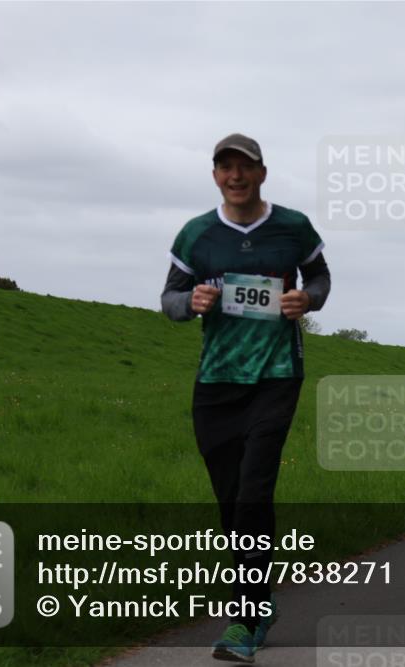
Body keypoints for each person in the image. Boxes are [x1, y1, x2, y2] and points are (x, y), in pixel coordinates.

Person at [161, 133, 331, 663]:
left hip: (277, 376)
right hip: (216, 383)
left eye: (244, 167)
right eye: (225, 167)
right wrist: (192, 301)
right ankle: (258, 601)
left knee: (254, 495)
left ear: (262, 173)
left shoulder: (293, 227)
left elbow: (320, 276)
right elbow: (168, 300)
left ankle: (245, 619)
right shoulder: (196, 235)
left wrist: (309, 299)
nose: (235, 176)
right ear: (215, 176)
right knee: (231, 502)